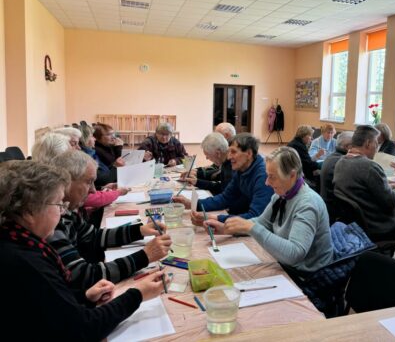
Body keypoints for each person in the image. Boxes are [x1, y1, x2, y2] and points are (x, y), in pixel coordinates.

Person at [0, 160, 167, 341]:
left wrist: (84, 298)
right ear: (29, 212)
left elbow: (51, 304)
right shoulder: (26, 261)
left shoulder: (19, 241)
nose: (63, 212)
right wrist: (138, 294)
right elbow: (83, 329)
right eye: (58, 205)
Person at [47, 151, 172, 290]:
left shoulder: (67, 211)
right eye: (89, 182)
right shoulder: (52, 223)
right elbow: (85, 277)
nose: (93, 191)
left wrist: (140, 230)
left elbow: (93, 236)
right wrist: (145, 256)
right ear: (67, 182)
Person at [205, 146, 333, 274]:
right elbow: (262, 222)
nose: (267, 182)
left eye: (272, 177)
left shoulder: (308, 204)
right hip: (287, 265)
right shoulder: (281, 195)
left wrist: (251, 227)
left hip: (307, 275)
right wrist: (226, 228)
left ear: (292, 175)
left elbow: (294, 254)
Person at [174, 133, 273, 224]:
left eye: (233, 152)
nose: (229, 157)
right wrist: (193, 204)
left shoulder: (263, 175)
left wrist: (216, 218)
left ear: (249, 154)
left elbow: (256, 217)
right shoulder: (241, 168)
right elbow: (225, 198)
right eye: (229, 152)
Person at [334, 125, 395, 242]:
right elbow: (393, 202)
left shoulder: (340, 162)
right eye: (376, 143)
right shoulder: (370, 167)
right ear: (368, 143)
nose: (377, 148)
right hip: (380, 227)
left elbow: (365, 189)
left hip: (358, 224)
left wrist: (389, 187)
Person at [320, 131, 353, 223]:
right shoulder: (342, 162)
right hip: (336, 214)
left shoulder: (332, 157)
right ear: (348, 147)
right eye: (356, 146)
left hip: (328, 207)